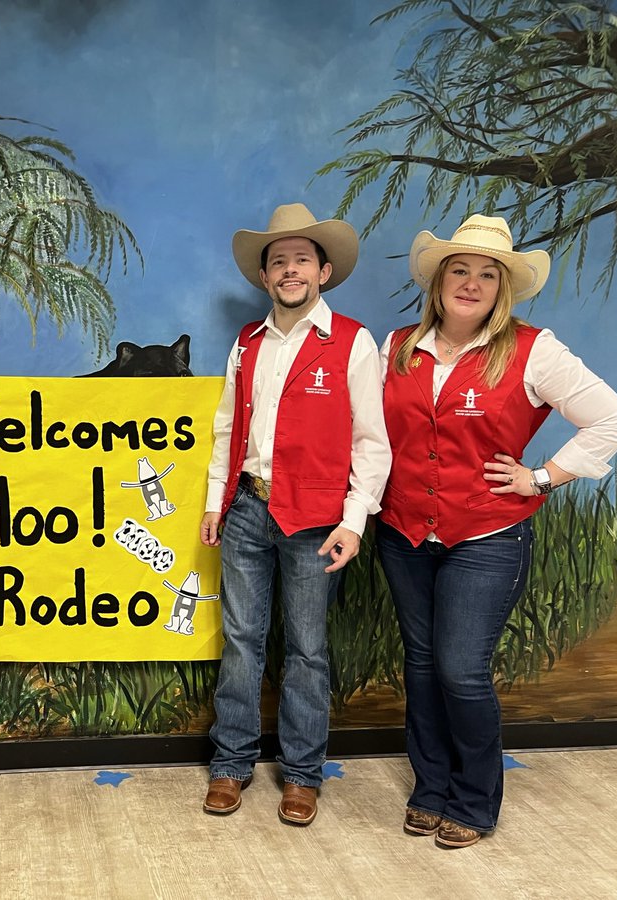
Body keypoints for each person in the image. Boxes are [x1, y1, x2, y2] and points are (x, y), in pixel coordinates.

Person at [376, 214, 617, 849]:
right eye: (458, 270)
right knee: (421, 663)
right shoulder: (398, 346)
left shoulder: (533, 349)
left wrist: (543, 476)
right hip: (404, 530)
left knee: (462, 670)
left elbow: (614, 420)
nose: (470, 283)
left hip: (487, 535)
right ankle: (430, 786)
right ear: (437, 283)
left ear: (502, 288)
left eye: (486, 274)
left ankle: (473, 798)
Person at [201, 203, 391, 824]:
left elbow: (371, 441)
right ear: (264, 277)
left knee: (308, 648)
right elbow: (228, 427)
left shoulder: (353, 342)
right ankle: (231, 764)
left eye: (301, 260)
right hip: (248, 511)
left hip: (316, 517)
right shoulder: (247, 344)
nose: (290, 270)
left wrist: (354, 519)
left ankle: (303, 775)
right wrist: (214, 502)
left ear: (324, 271)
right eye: (278, 260)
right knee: (240, 640)